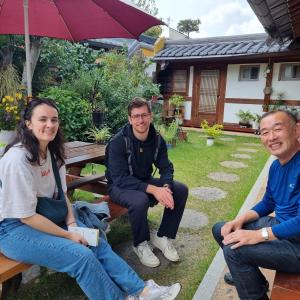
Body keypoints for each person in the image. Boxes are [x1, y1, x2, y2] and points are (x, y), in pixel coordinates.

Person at [0, 98, 181, 300]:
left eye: (54, 119)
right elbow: (26, 217)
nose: (49, 125)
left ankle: (143, 291)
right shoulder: (17, 159)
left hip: (46, 217)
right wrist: (69, 235)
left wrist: (72, 224)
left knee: (95, 242)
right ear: (28, 123)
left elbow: (62, 194)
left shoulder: (53, 153)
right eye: (43, 119)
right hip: (13, 229)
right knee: (82, 256)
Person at [212, 110, 300, 300]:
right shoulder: (276, 166)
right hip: (282, 229)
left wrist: (259, 235)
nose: (271, 137)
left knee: (235, 252)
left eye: (278, 129)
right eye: (265, 132)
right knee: (222, 229)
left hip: (297, 245)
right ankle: (251, 280)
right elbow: (268, 202)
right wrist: (239, 220)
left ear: (297, 129)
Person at [105, 97, 188, 268]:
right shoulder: (118, 142)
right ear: (129, 119)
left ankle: (163, 237)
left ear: (150, 116)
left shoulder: (157, 139)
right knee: (140, 199)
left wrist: (165, 188)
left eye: (144, 115)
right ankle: (140, 244)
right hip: (120, 185)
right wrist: (153, 190)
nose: (140, 120)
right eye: (136, 116)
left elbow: (166, 167)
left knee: (179, 189)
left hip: (143, 180)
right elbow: (120, 178)